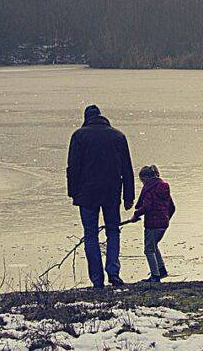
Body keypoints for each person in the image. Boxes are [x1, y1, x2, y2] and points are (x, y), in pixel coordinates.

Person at [67, 104, 135, 288]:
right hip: (112, 192)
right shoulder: (118, 136)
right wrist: (129, 196)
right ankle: (113, 272)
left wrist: (73, 192)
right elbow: (127, 168)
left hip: (86, 193)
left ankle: (97, 279)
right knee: (113, 231)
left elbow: (73, 167)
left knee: (91, 235)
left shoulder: (79, 136)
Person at [131, 165, 175, 283]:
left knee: (149, 250)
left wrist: (136, 215)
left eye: (142, 180)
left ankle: (155, 276)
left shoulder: (150, 189)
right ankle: (161, 270)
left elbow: (147, 206)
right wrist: (166, 219)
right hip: (163, 224)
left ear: (145, 178)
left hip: (152, 224)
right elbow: (172, 207)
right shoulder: (164, 188)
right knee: (154, 246)